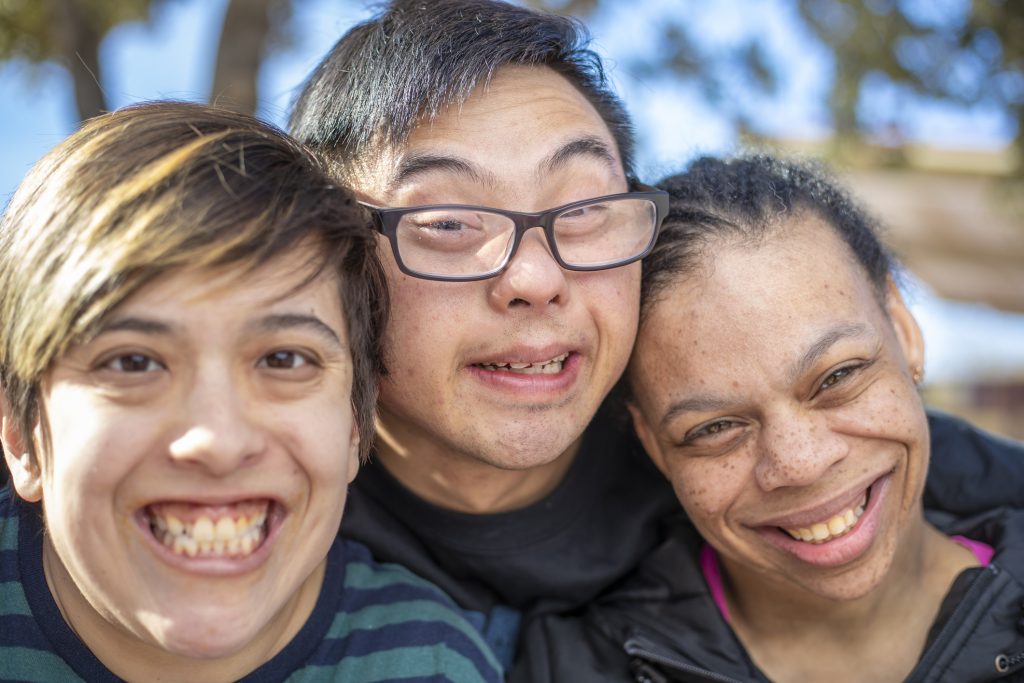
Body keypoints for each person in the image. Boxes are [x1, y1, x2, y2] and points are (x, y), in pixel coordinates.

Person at [289, 0, 1024, 675]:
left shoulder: (725, 432)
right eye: (449, 223)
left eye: (582, 208)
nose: (535, 277)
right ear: (335, 256)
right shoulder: (276, 495)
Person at [0, 101, 502, 682]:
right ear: (20, 432)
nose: (219, 441)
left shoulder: (430, 664)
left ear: (355, 424)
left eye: (284, 359)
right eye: (132, 362)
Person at [585, 155, 1024, 682]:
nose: (801, 463)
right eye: (715, 428)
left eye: (837, 377)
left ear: (904, 330)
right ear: (652, 443)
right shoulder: (578, 665)